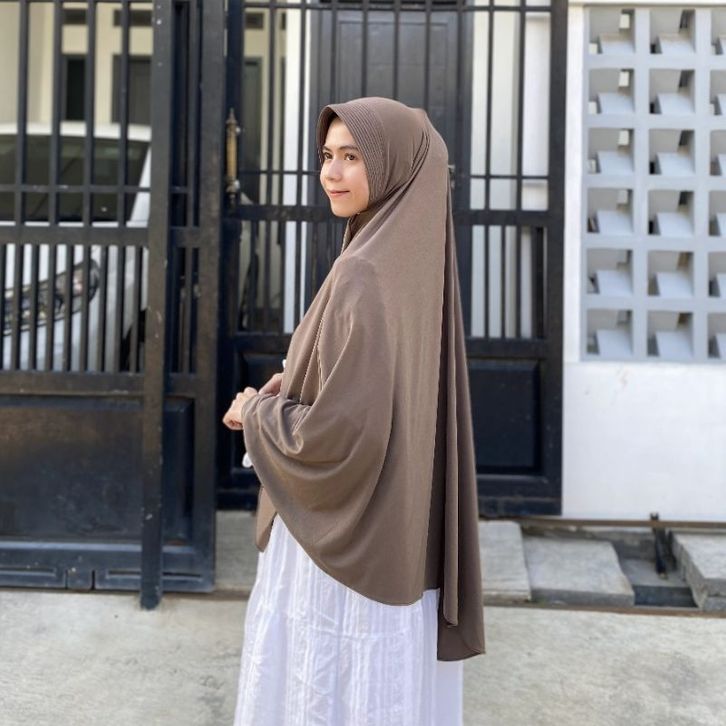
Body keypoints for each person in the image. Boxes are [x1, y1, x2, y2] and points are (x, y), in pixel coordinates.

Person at [223, 96, 485, 726]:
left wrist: (256, 412)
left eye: (352, 157)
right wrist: (300, 377)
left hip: (342, 542)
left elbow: (340, 433)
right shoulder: (414, 260)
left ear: (394, 167)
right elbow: (379, 384)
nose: (331, 173)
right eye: (326, 155)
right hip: (398, 524)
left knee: (324, 684)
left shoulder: (364, 271)